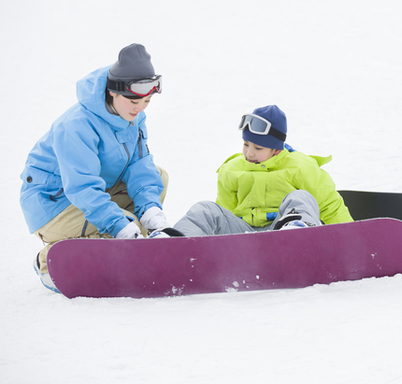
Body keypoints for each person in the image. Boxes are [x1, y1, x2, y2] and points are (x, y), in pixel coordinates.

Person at [21, 43, 171, 292]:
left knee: (158, 176)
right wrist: (120, 225)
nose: (141, 107)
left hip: (88, 196)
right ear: (113, 92)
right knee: (126, 222)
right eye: (134, 100)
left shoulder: (133, 117)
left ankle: (123, 243)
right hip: (53, 204)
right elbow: (82, 187)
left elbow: (139, 165)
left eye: (147, 100)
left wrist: (152, 213)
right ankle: (50, 261)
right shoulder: (77, 125)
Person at [173, 104, 353, 236]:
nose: (249, 153)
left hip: (279, 231)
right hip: (243, 236)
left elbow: (329, 206)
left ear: (276, 150)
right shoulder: (231, 170)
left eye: (258, 149)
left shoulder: (301, 167)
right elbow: (225, 212)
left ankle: (298, 237)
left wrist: (351, 239)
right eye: (245, 144)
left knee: (301, 198)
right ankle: (175, 245)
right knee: (206, 209)